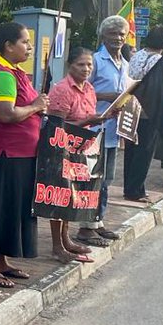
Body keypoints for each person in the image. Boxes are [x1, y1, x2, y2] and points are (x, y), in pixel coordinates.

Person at [0, 21, 49, 287]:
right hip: (5, 154)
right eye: (25, 42)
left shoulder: (15, 72)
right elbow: (6, 114)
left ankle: (1, 262)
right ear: (8, 45)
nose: (29, 47)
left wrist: (38, 107)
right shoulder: (2, 74)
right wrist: (36, 107)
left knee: (10, 210)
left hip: (21, 154)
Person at [45, 46, 112, 264]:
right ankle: (57, 245)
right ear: (69, 65)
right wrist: (88, 121)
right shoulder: (62, 89)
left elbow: (88, 117)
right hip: (61, 150)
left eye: (89, 65)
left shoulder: (90, 89)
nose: (85, 69)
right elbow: (57, 126)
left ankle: (66, 238)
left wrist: (102, 117)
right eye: (80, 64)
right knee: (59, 195)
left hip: (82, 151)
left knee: (72, 196)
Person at [74, 15, 129, 248]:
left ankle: (98, 221)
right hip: (94, 128)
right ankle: (86, 227)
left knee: (106, 179)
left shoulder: (124, 63)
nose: (118, 37)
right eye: (113, 33)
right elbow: (81, 90)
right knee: (91, 179)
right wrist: (106, 96)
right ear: (103, 35)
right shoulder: (95, 60)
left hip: (114, 130)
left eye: (121, 34)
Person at [122, 25, 163, 203]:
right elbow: (159, 90)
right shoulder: (159, 61)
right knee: (144, 151)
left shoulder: (137, 56)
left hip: (130, 107)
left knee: (130, 149)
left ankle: (130, 187)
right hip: (148, 112)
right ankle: (136, 191)